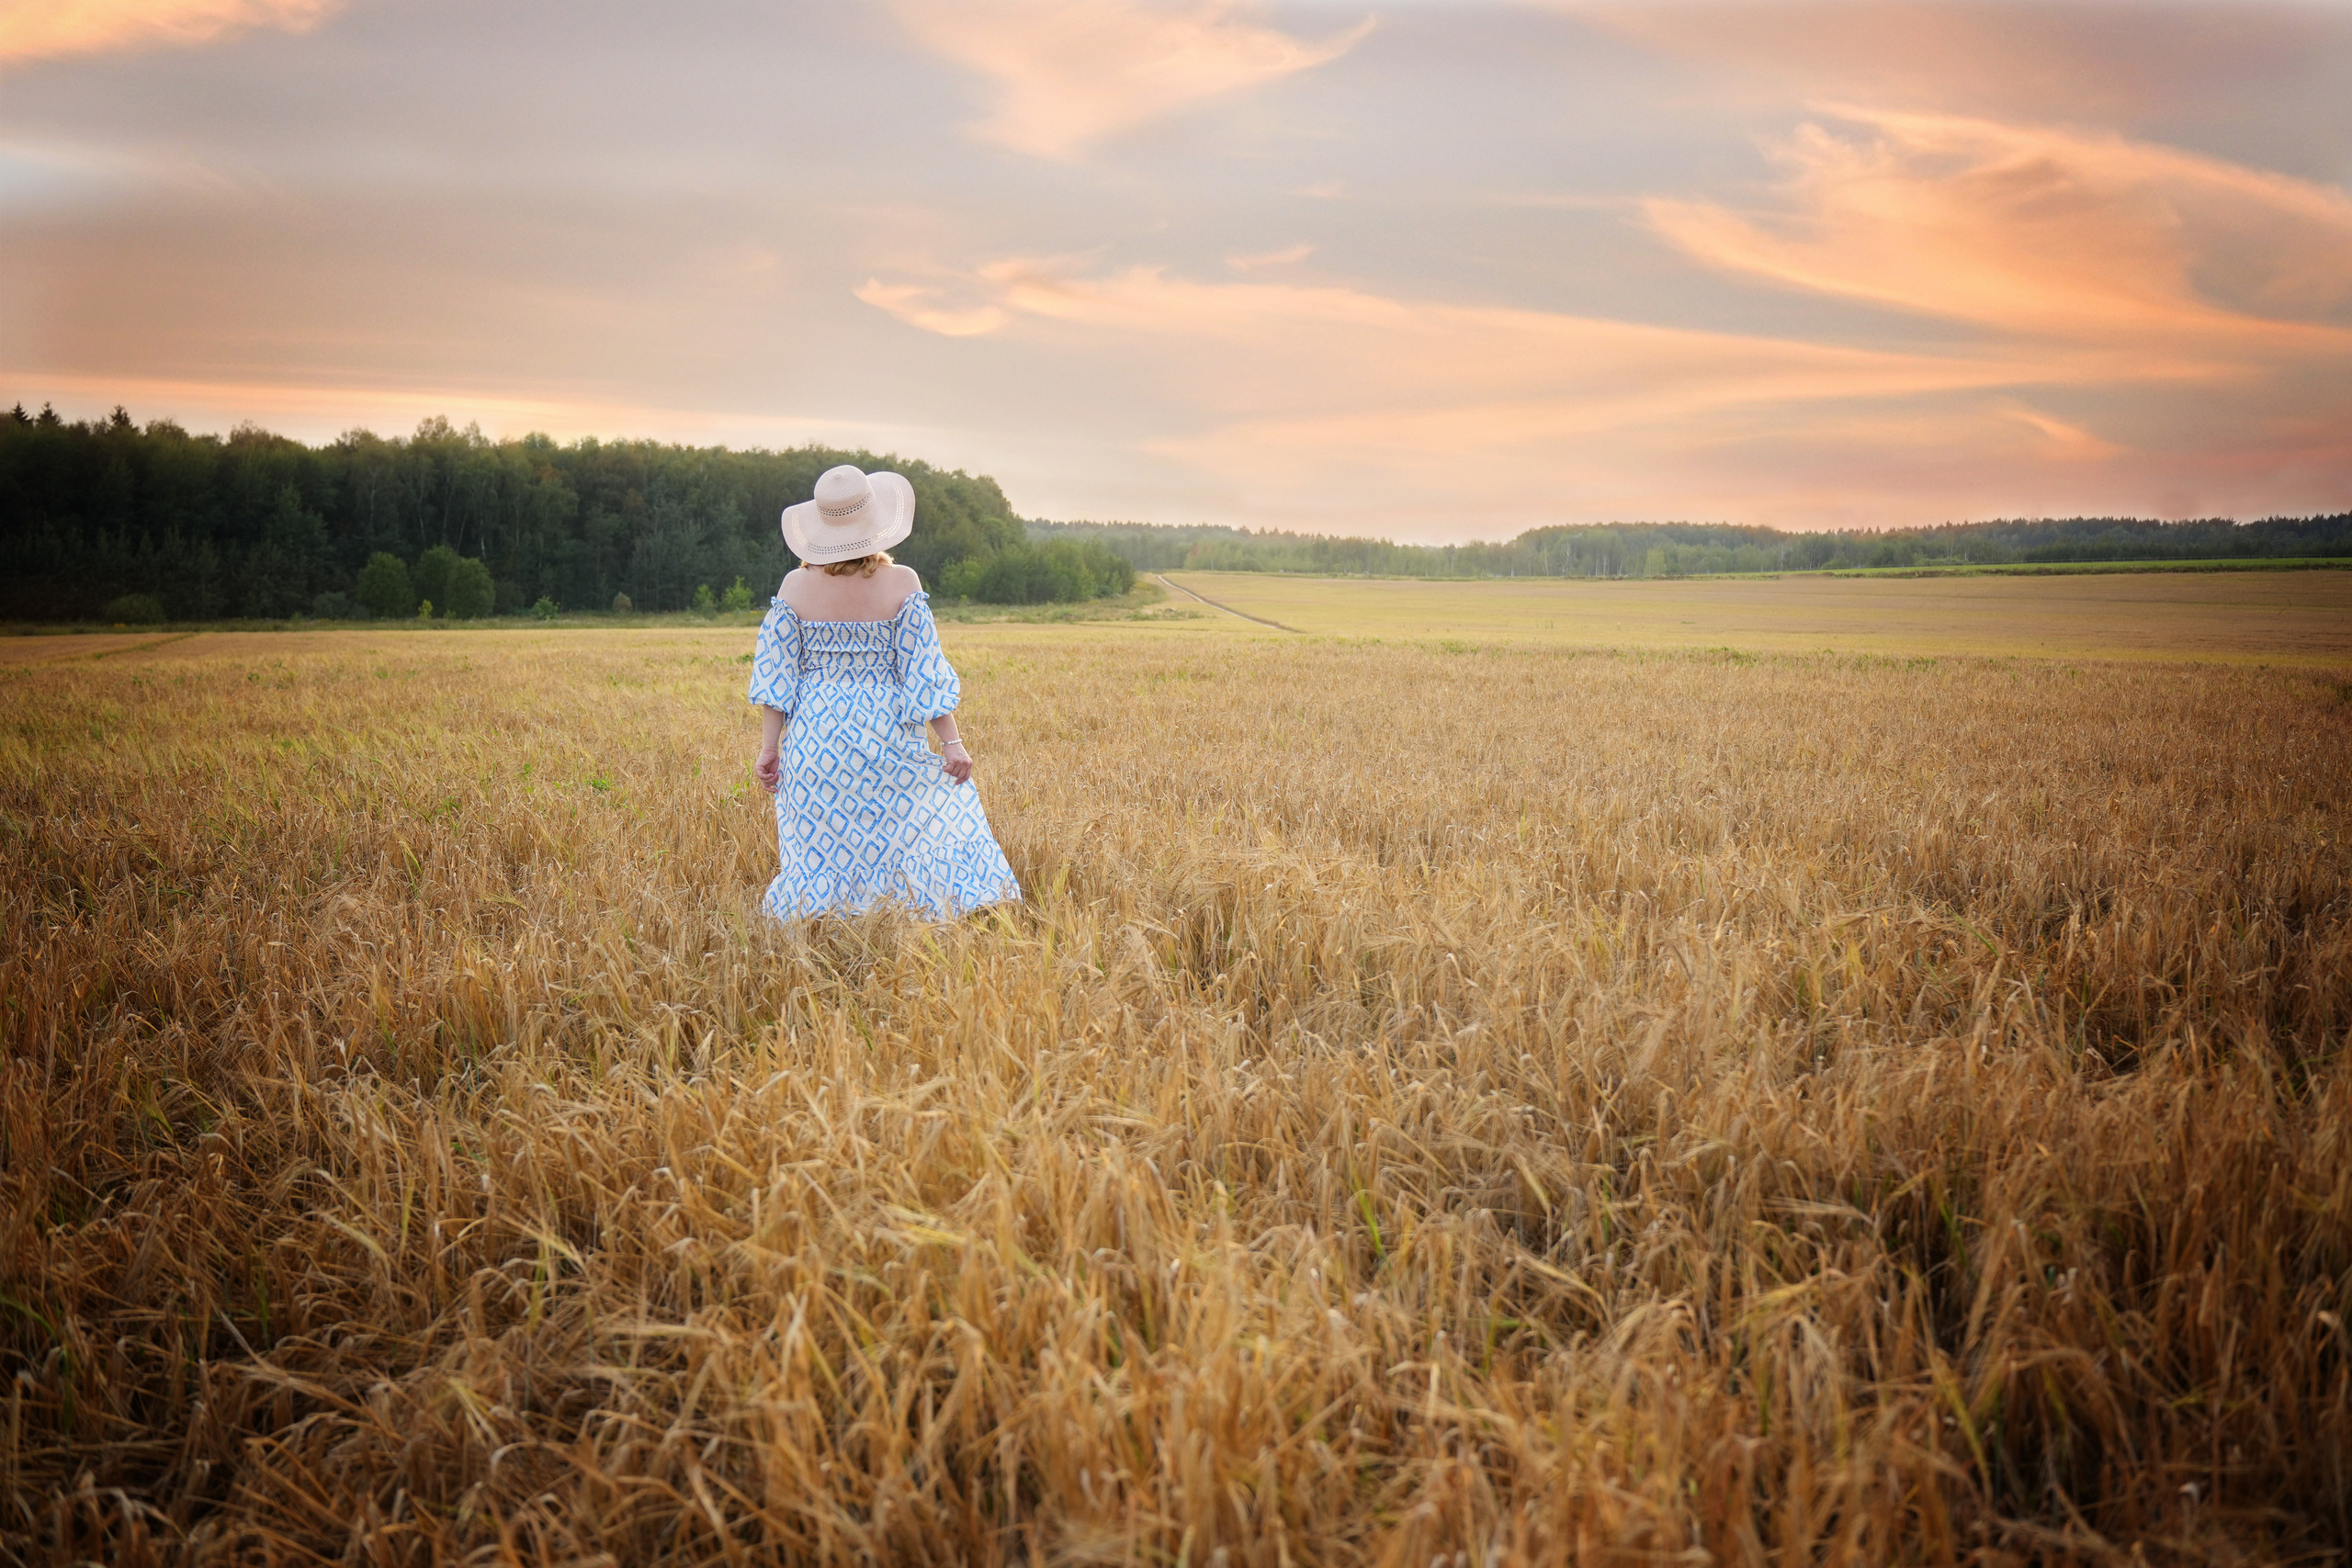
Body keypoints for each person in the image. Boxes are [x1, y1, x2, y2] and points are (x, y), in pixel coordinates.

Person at [747, 463, 1021, 919]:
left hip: (817, 739)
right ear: (875, 522)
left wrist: (768, 748)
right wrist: (951, 743)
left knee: (824, 845)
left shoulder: (794, 586)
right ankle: (895, 916)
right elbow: (923, 671)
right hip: (885, 732)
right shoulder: (902, 582)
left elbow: (778, 679)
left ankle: (830, 928)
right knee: (902, 834)